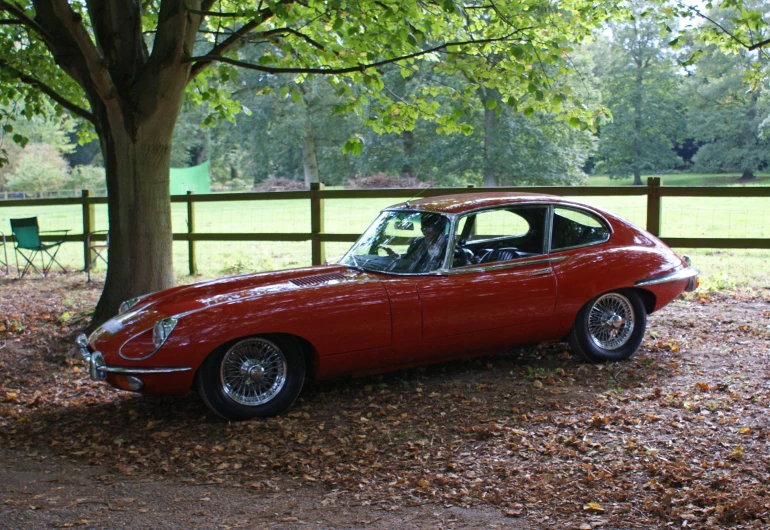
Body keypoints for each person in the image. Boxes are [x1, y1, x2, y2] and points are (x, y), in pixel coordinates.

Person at [382, 213, 449, 272]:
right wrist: (398, 257)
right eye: (423, 226)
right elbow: (408, 261)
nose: (424, 229)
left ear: (439, 229)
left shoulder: (448, 245)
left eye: (429, 226)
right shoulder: (417, 242)